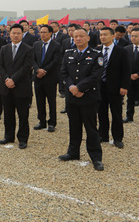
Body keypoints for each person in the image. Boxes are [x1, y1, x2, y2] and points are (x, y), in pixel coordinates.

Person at [59, 28, 104, 171]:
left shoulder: (96, 54)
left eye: (81, 36)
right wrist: (71, 87)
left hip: (88, 97)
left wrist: (80, 88)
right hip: (72, 97)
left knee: (91, 128)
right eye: (76, 36)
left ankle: (96, 157)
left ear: (88, 38)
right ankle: (73, 152)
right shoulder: (68, 53)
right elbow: (64, 73)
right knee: (74, 126)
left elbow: (96, 76)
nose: (78, 38)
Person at [0, 24, 33, 149]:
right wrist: (7, 79)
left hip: (21, 86)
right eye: (13, 33)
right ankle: (8, 136)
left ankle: (22, 139)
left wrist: (13, 79)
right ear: (9, 34)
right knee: (8, 114)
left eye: (18, 33)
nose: (16, 35)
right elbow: (0, 65)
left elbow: (26, 67)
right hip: (6, 86)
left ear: (22, 34)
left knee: (23, 115)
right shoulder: (4, 48)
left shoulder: (28, 49)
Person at [97, 27, 130, 148]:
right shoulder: (96, 50)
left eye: (105, 35)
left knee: (116, 113)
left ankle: (117, 138)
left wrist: (124, 86)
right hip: (100, 87)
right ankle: (103, 135)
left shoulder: (121, 51)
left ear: (112, 36)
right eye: (101, 35)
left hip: (115, 88)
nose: (102, 37)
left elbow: (126, 70)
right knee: (101, 112)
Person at [32, 24, 61, 132]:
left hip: (50, 77)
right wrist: (37, 70)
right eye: (41, 32)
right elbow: (33, 59)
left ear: (50, 33)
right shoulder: (36, 44)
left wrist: (44, 71)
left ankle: (52, 122)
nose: (42, 34)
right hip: (38, 77)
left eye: (44, 32)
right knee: (39, 101)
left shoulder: (56, 45)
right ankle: (42, 121)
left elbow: (55, 61)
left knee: (51, 101)